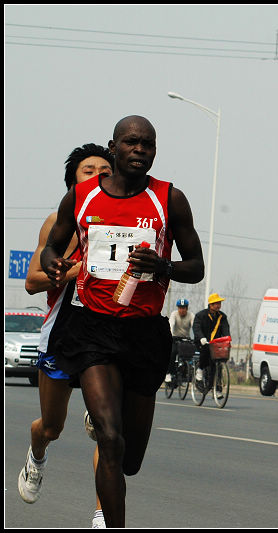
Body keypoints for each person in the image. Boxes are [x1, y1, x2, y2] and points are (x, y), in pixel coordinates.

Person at [40, 115, 204, 527]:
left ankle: (111, 419)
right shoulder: (82, 196)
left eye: (147, 145)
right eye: (131, 143)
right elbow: (51, 248)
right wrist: (55, 266)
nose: (140, 151)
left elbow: (196, 266)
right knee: (110, 441)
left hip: (144, 331)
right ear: (113, 148)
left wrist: (163, 265)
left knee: (129, 458)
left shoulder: (169, 199)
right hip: (92, 327)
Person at [18, 144, 113, 528]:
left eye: (105, 169)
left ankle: (102, 514)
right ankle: (37, 454)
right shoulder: (58, 222)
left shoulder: (124, 222)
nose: (98, 175)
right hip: (63, 334)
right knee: (52, 427)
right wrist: (78, 269)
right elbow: (31, 282)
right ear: (74, 183)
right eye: (88, 170)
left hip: (107, 336)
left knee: (109, 431)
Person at [193, 293, 230, 387]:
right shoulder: (201, 315)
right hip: (203, 342)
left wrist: (227, 339)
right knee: (205, 351)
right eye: (216, 303)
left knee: (218, 362)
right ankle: (200, 371)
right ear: (210, 305)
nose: (218, 305)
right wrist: (201, 337)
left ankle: (217, 386)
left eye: (219, 303)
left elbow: (225, 329)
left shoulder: (222, 317)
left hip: (216, 344)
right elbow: (196, 328)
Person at [165, 298, 194, 385]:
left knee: (189, 355)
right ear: (178, 308)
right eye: (180, 308)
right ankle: (168, 373)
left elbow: (194, 326)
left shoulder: (191, 315)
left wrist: (196, 337)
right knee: (172, 353)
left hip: (186, 339)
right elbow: (171, 323)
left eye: (184, 308)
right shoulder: (174, 314)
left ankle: (184, 373)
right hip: (175, 338)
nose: (182, 310)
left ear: (187, 308)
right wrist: (170, 334)